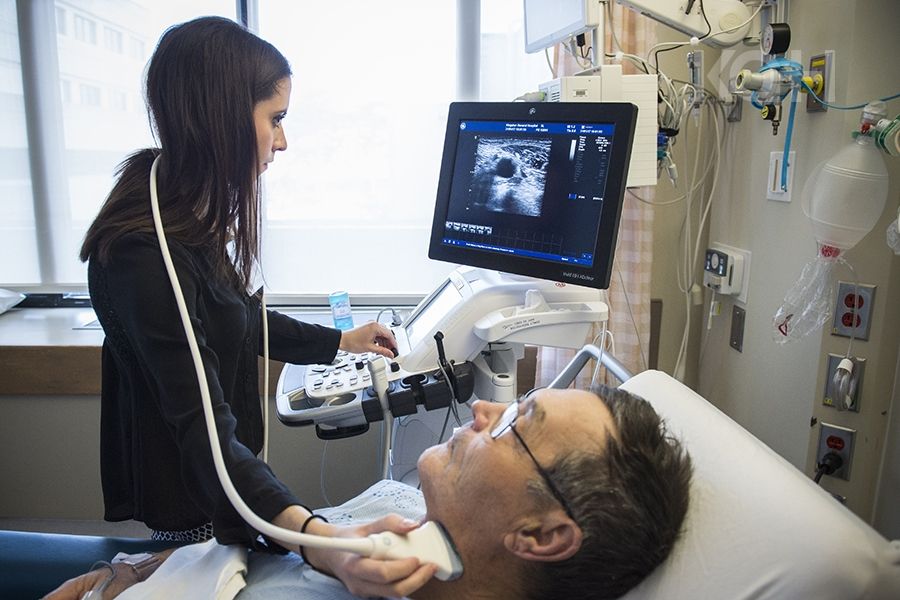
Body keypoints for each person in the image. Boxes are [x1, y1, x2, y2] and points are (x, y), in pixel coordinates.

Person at [77, 16, 432, 598]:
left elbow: (235, 318)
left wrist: (339, 341)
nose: (283, 141)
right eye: (276, 119)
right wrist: (321, 545)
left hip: (222, 485)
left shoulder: (184, 209)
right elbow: (206, 437)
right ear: (220, 118)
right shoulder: (146, 252)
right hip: (196, 492)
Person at [46, 384, 693, 600]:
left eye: (519, 419)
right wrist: (140, 566)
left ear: (541, 535)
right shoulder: (401, 526)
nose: (482, 407)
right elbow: (281, 542)